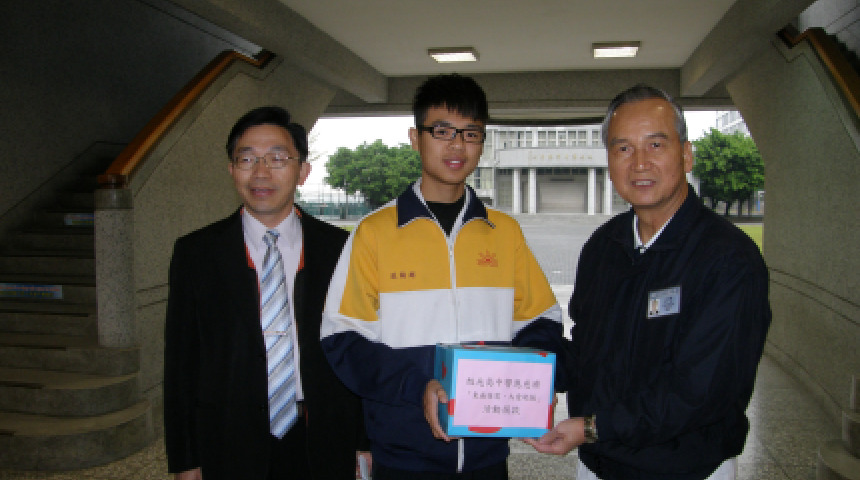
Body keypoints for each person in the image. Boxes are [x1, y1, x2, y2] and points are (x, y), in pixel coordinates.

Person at [319, 73, 567, 480]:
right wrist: (419, 381)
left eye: (471, 133)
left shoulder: (504, 232)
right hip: (404, 455)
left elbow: (542, 320)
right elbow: (342, 338)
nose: (457, 145)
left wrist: (531, 380)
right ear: (416, 139)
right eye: (442, 131)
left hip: (488, 456)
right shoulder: (374, 233)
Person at [525, 84, 771, 480]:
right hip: (598, 463)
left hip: (685, 469)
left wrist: (592, 427)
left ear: (686, 155)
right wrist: (520, 369)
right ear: (609, 161)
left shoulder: (728, 259)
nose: (639, 163)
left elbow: (701, 391)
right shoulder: (603, 247)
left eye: (655, 145)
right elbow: (587, 353)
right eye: (623, 148)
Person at [163, 106, 367, 480]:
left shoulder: (340, 250)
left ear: (302, 171)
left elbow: (359, 348)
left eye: (277, 158)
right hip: (229, 439)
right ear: (231, 169)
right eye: (247, 159)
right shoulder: (197, 253)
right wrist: (185, 459)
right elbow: (181, 363)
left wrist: (363, 440)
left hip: (322, 435)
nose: (261, 172)